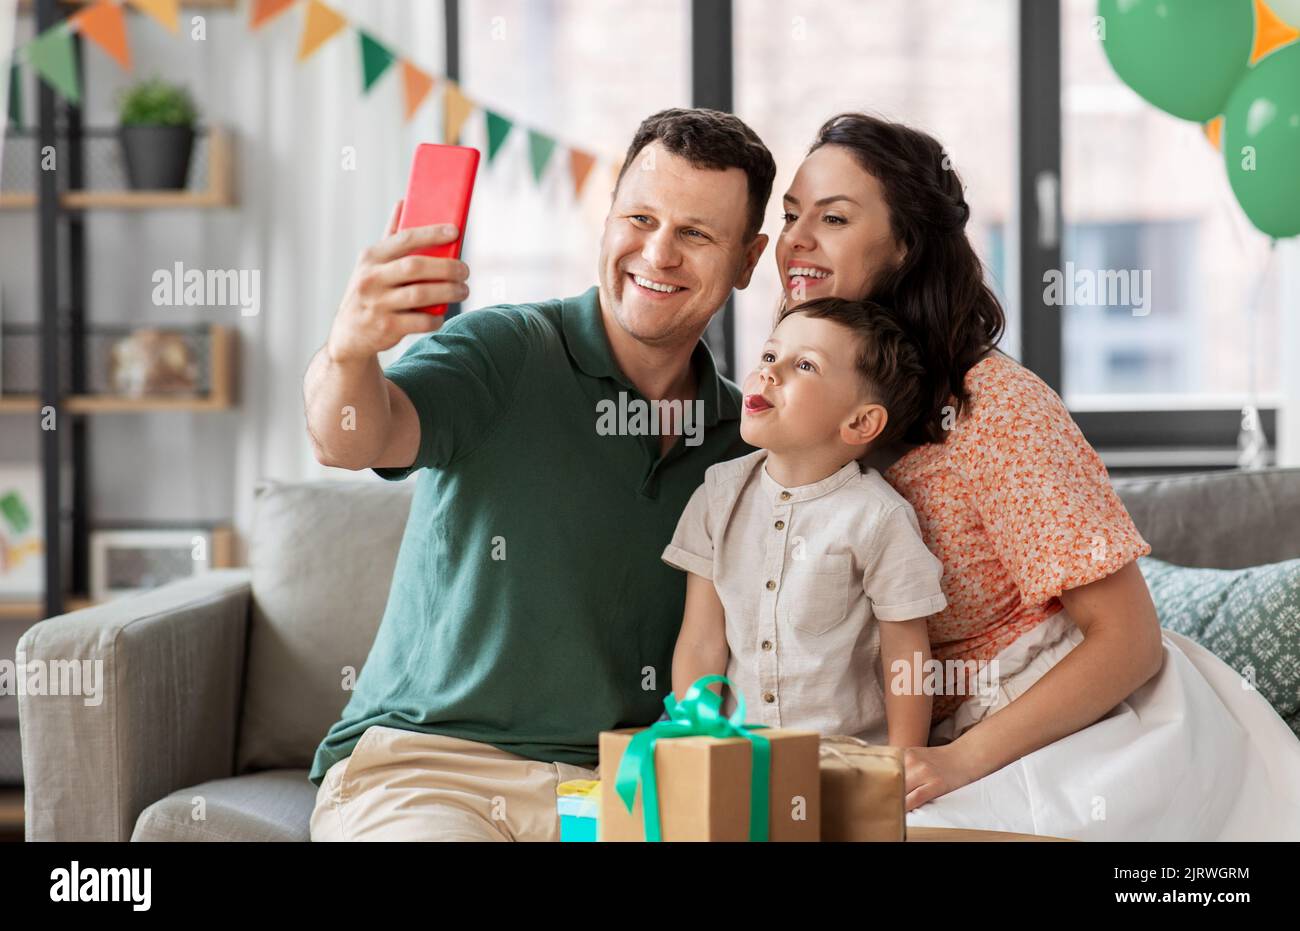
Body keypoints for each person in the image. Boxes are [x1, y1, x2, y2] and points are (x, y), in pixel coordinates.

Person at [773, 111, 1300, 839]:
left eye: (832, 217)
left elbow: (1127, 640)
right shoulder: (808, 415)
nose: (795, 239)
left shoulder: (993, 406)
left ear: (905, 246)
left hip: (1091, 732)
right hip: (937, 735)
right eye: (791, 214)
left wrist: (956, 762)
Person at [301, 108, 773, 841]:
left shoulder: (745, 443)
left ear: (748, 260)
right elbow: (351, 435)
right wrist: (349, 349)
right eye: (640, 218)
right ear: (607, 218)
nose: (658, 252)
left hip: (621, 789)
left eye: (696, 233)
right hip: (431, 773)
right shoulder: (509, 350)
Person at [664, 297, 946, 750]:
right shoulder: (718, 496)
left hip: (844, 758)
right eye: (770, 356)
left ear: (859, 422)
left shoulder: (879, 517)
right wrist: (695, 745)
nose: (769, 373)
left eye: (806, 366)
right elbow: (701, 641)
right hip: (740, 754)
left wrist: (902, 761)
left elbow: (906, 655)